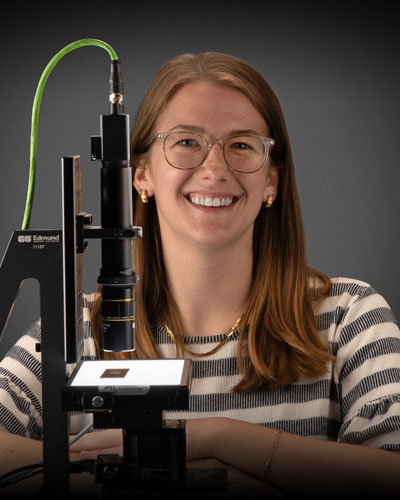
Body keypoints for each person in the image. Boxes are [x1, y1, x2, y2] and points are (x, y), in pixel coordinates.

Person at [1, 52, 400, 498]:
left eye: (242, 145)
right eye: (187, 141)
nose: (215, 170)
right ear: (141, 175)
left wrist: (219, 438)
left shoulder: (349, 318)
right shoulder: (79, 329)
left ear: (272, 180)